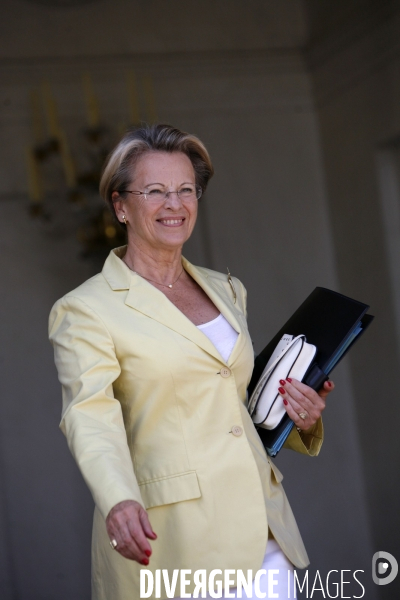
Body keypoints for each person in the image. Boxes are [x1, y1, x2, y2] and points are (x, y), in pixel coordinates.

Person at [49, 124, 334, 600]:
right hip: (176, 541)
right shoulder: (85, 308)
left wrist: (298, 413)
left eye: (186, 190)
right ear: (121, 205)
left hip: (264, 528)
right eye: (155, 191)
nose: (175, 204)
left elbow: (233, 402)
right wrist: (118, 498)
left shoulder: (226, 288)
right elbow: (88, 413)